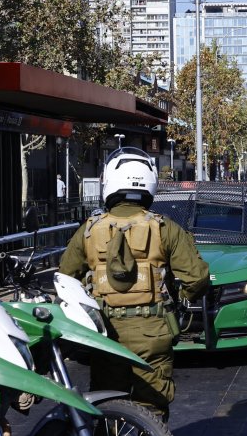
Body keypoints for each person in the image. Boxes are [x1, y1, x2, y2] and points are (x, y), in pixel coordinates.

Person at [58, 147, 210, 422]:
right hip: (152, 332)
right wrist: (181, 298)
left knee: (106, 406)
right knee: (151, 409)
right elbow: (197, 277)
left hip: (105, 334)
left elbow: (66, 277)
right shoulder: (165, 227)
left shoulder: (89, 229)